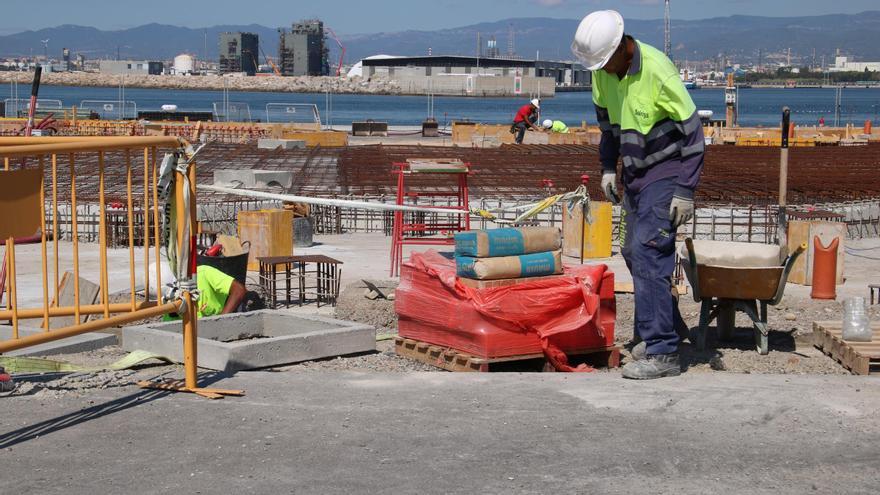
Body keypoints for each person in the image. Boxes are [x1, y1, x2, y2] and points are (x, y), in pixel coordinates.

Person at [572, 10, 705, 379]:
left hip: (667, 170)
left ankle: (663, 352)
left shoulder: (658, 71)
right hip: (635, 172)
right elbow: (608, 129)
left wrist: (685, 190)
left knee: (650, 249)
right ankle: (668, 328)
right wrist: (608, 167)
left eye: (606, 62)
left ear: (623, 48)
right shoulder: (602, 74)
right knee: (633, 250)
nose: (602, 70)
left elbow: (694, 136)